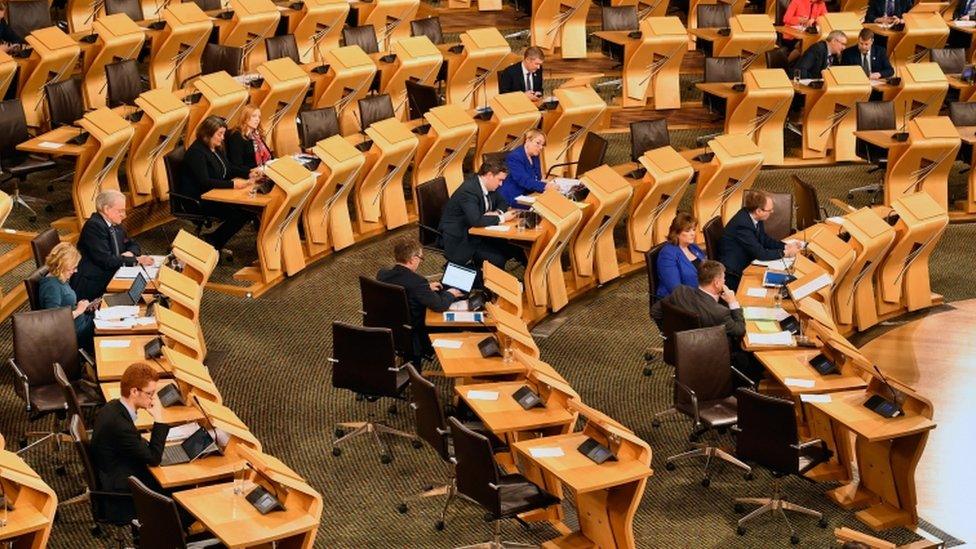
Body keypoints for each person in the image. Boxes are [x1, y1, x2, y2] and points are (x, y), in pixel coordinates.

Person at [651, 260, 761, 382]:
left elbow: (655, 311)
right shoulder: (719, 312)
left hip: (681, 347)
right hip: (713, 355)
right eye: (724, 279)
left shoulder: (680, 291)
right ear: (717, 283)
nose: (725, 281)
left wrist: (670, 335)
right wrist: (733, 302)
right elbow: (740, 330)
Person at [90, 362, 170, 524]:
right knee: (181, 500)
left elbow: (134, 443)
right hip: (122, 492)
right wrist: (159, 419)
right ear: (134, 391)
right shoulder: (120, 426)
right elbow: (154, 458)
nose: (153, 399)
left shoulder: (113, 406)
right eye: (150, 393)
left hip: (115, 471)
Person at [377, 238, 464, 362]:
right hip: (413, 332)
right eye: (421, 259)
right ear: (414, 259)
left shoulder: (382, 274)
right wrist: (450, 294)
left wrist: (426, 288)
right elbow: (440, 305)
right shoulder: (417, 282)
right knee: (455, 327)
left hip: (386, 325)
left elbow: (404, 286)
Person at [181, 116, 260, 252]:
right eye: (220, 134)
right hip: (200, 200)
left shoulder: (215, 147)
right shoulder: (196, 152)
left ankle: (215, 239)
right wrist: (232, 185)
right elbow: (204, 182)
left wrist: (249, 172)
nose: (223, 138)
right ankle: (213, 240)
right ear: (207, 134)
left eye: (223, 133)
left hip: (216, 193)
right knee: (242, 212)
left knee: (250, 208)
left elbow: (228, 168)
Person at [438, 157, 521, 272]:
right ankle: (488, 285)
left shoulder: (489, 185)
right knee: (497, 259)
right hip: (461, 235)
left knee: (516, 247)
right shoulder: (469, 191)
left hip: (479, 231)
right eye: (500, 180)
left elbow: (503, 202)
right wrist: (502, 217)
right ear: (489, 175)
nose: (501, 184)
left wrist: (496, 213)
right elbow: (476, 221)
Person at [73, 190, 154, 301]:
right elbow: (106, 261)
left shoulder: (115, 224)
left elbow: (133, 244)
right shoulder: (94, 226)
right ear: (106, 209)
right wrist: (136, 260)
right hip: (94, 284)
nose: (124, 215)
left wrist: (129, 254)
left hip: (113, 273)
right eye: (120, 211)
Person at [718, 190, 801, 291]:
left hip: (748, 259)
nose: (772, 212)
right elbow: (760, 253)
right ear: (758, 211)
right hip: (735, 272)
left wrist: (785, 246)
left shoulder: (754, 216)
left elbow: (764, 239)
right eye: (769, 210)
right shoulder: (742, 225)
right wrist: (786, 253)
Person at [38, 242, 95, 354]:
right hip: (74, 332)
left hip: (81, 322)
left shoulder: (60, 277)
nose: (75, 271)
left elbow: (65, 306)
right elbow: (54, 319)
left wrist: (86, 307)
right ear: (62, 265)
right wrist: (79, 310)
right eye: (73, 268)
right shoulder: (51, 286)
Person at [655, 213, 706, 298]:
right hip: (680, 302)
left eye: (693, 229)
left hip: (701, 294)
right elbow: (675, 290)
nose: (693, 233)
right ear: (676, 233)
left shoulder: (692, 246)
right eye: (687, 231)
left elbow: (707, 267)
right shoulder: (667, 254)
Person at [500, 129, 557, 205]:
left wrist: (544, 182)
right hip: (514, 196)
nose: (540, 147)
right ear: (527, 141)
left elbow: (537, 177)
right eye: (538, 143)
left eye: (542, 145)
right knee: (548, 205)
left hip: (529, 193)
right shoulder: (515, 156)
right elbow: (523, 180)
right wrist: (545, 186)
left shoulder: (534, 155)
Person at [226, 105, 275, 173]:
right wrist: (251, 171)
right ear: (245, 118)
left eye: (259, 117)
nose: (257, 119)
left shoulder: (255, 134)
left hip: (264, 169)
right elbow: (236, 165)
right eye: (254, 116)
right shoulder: (236, 136)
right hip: (250, 174)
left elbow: (269, 156)